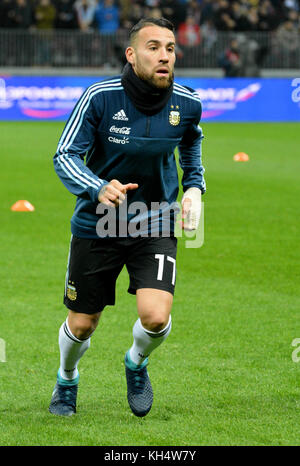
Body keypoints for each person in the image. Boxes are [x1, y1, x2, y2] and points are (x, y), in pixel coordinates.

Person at [49, 16, 206, 418]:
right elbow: (65, 155)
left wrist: (193, 189)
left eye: (170, 48)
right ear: (132, 54)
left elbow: (191, 146)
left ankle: (136, 363)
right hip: (97, 223)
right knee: (83, 324)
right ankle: (67, 378)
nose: (164, 56)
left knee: (156, 317)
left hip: (154, 219)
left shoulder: (188, 103)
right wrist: (97, 185)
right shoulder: (100, 97)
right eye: (153, 47)